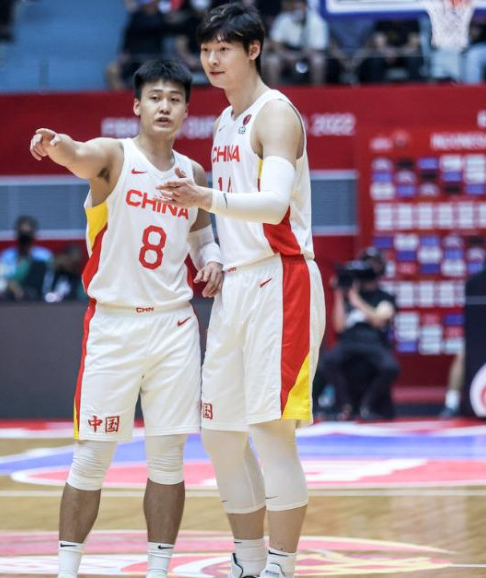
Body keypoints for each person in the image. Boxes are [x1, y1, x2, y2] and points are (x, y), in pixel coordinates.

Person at [29, 59, 223, 578]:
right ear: (137, 105)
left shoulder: (192, 173)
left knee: (168, 459)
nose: (164, 106)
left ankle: (158, 571)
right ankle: (66, 570)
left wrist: (212, 261)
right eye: (155, 97)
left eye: (175, 99)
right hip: (114, 325)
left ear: (186, 110)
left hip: (174, 326)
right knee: (91, 457)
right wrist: (55, 144)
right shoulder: (115, 155)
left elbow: (202, 236)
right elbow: (79, 155)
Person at [156, 5, 325, 578]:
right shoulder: (225, 122)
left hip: (282, 279)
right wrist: (215, 257)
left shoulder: (274, 115)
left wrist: (203, 199)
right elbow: (229, 221)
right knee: (220, 435)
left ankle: (281, 566)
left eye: (223, 48)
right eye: (206, 50)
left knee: (271, 433)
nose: (212, 59)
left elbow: (274, 206)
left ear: (253, 50)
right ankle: (247, 562)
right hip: (237, 285)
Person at [318, 247, 399, 421]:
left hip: (373, 343)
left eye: (373, 265)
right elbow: (339, 327)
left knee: (390, 367)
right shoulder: (348, 295)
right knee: (327, 362)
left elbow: (379, 319)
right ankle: (346, 405)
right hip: (349, 342)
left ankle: (366, 404)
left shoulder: (384, 297)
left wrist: (356, 300)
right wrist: (340, 294)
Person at [263, 0, 329, 86]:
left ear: (306, 7)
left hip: (306, 55)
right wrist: (285, 55)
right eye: (294, 7)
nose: (297, 10)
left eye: (299, 7)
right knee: (272, 61)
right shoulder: (283, 19)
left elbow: (318, 47)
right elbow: (275, 42)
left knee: (318, 61)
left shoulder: (317, 21)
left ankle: (318, 92)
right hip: (286, 54)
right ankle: (273, 92)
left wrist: (299, 55)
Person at [0, 215, 53, 301]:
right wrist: (9, 286)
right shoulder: (6, 256)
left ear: (34, 235)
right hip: (10, 300)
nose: (25, 240)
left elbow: (49, 283)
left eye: (28, 236)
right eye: (22, 236)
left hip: (38, 300)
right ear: (16, 235)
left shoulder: (44, 256)